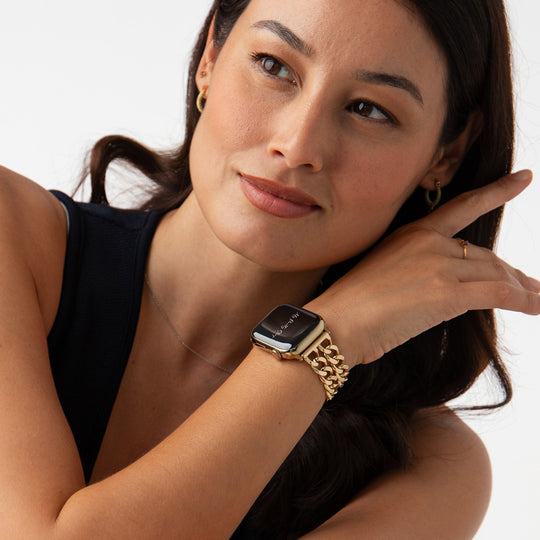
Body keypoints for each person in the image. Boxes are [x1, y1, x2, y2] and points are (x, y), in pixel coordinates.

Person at [0, 0, 538, 537]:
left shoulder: (426, 468)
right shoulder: (13, 230)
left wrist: (327, 338)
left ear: (446, 155)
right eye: (273, 66)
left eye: (369, 109)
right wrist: (322, 338)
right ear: (211, 57)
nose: (297, 145)